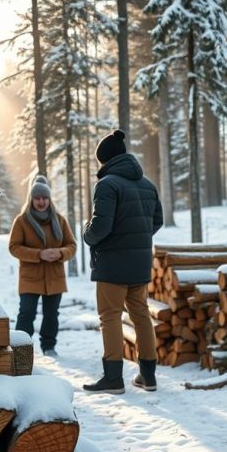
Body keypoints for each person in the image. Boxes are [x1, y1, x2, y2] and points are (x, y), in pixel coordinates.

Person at [82, 130, 163, 394]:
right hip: (140, 263)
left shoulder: (107, 184)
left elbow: (100, 227)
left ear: (104, 160)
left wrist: (87, 234)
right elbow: (157, 221)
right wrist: (137, 240)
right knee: (141, 315)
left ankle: (113, 378)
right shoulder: (147, 184)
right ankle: (148, 377)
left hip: (112, 264)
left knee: (110, 316)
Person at [9, 176, 76, 356]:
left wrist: (61, 253)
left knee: (51, 314)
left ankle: (49, 346)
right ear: (31, 199)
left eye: (44, 198)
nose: (41, 201)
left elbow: (72, 246)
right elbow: (13, 247)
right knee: (26, 313)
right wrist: (39, 254)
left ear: (49, 199)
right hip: (30, 277)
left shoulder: (60, 220)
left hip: (54, 277)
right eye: (37, 198)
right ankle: (20, 349)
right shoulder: (22, 221)